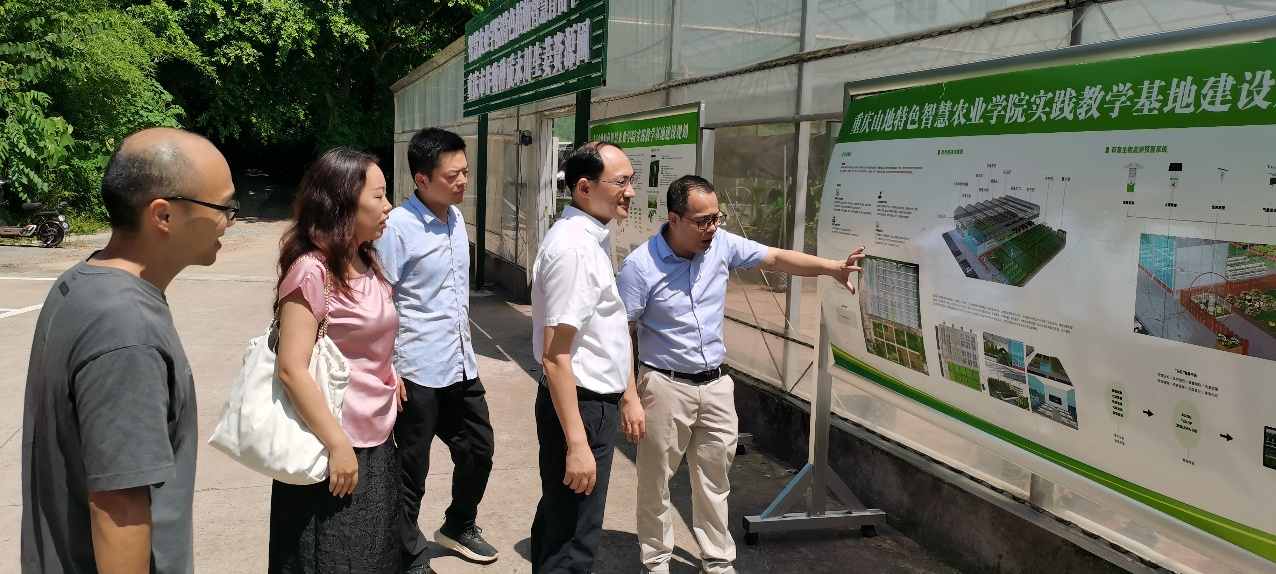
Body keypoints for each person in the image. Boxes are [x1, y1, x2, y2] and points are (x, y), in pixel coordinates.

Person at [617, 175, 866, 574]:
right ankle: (657, 560)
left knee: (715, 480)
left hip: (717, 385)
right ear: (674, 219)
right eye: (702, 221)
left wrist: (831, 268)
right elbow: (621, 335)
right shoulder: (640, 267)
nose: (712, 228)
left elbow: (776, 259)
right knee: (656, 481)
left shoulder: (722, 245)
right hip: (663, 385)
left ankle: (717, 560)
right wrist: (630, 398)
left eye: (717, 218)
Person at [21, 127, 235, 573]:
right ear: (163, 215)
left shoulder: (81, 282)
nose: (231, 220)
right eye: (223, 207)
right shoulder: (126, 328)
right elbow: (118, 506)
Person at [268, 147, 402, 573]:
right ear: (342, 203)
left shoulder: (365, 258)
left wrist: (388, 370)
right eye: (378, 196)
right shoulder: (312, 270)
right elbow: (291, 368)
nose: (388, 206)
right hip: (330, 446)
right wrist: (337, 445)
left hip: (376, 439)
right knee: (330, 558)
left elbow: (366, 335)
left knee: (373, 556)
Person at [373, 128, 498, 573]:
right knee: (412, 470)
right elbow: (379, 300)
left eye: (465, 172)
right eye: (452, 175)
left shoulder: (456, 219)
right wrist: (387, 370)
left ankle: (458, 525)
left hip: (459, 364)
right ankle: (405, 555)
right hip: (416, 369)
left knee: (479, 450)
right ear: (421, 180)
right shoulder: (397, 229)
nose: (462, 181)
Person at [529, 142, 647, 574]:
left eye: (631, 180)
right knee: (573, 539)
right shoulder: (575, 250)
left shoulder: (589, 238)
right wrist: (578, 445)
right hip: (580, 405)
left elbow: (607, 330)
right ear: (584, 187)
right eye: (621, 182)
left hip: (590, 402)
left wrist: (629, 394)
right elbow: (555, 354)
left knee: (561, 522)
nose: (630, 191)